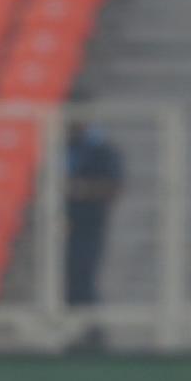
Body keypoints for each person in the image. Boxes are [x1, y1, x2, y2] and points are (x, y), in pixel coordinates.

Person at [64, 122, 123, 305]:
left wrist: (80, 190)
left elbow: (113, 187)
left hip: (87, 224)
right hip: (61, 225)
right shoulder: (60, 147)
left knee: (82, 277)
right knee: (65, 280)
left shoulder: (102, 150)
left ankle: (89, 329)